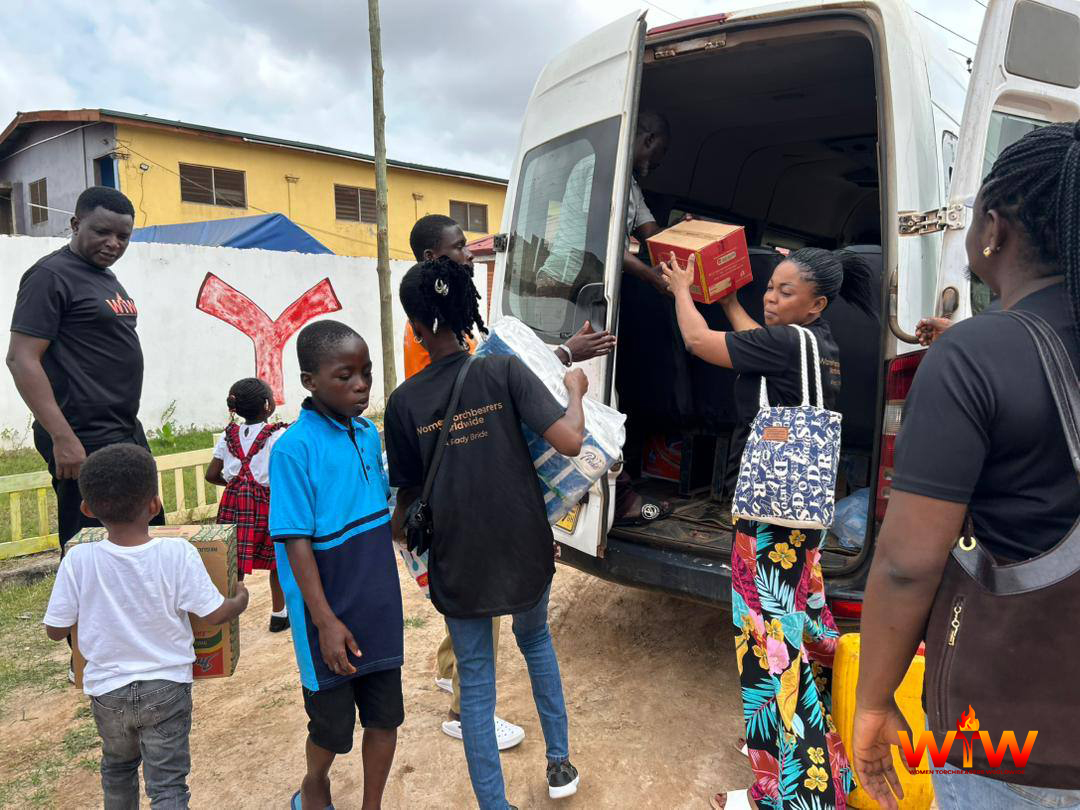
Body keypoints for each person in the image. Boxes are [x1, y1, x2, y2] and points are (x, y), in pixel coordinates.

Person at [852, 124, 1080, 809]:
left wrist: (874, 702)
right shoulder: (980, 350)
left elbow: (906, 564)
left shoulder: (974, 358)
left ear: (993, 229)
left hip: (1020, 740)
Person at [661, 247, 876, 809]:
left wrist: (682, 290)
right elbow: (756, 336)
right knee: (798, 632)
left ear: (816, 303)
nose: (770, 298)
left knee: (770, 646)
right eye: (770, 287)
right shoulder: (816, 343)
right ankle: (809, 755)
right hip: (797, 522)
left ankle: (793, 792)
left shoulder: (787, 343)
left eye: (785, 291)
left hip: (770, 524)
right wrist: (732, 299)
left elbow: (698, 342)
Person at [403, 213, 614, 750]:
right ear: (433, 259)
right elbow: (478, 381)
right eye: (458, 247)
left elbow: (479, 372)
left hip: (457, 509)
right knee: (498, 619)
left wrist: (560, 353)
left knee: (471, 615)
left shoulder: (430, 322)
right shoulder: (434, 334)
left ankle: (455, 680)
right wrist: (567, 374)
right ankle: (467, 708)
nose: (468, 254)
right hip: (476, 498)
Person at [386, 256, 587, 809]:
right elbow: (571, 440)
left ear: (417, 327)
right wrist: (574, 388)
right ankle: (559, 763)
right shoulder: (503, 372)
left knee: (476, 684)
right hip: (524, 545)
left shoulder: (403, 403)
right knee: (536, 641)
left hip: (459, 559)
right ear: (464, 313)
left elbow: (405, 502)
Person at [42, 444, 249, 809]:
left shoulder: (78, 559)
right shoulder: (177, 553)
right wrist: (240, 599)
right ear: (154, 505)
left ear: (87, 509)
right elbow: (216, 614)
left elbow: (55, 630)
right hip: (167, 687)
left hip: (108, 692)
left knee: (118, 768)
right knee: (167, 785)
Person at [269, 320, 403, 810]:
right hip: (325, 613)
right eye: (345, 376)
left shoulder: (367, 435)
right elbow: (295, 541)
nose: (361, 385)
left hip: (378, 605)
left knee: (385, 717)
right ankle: (314, 784)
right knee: (331, 727)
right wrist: (325, 622)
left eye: (366, 373)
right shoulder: (293, 450)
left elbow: (383, 512)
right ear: (310, 381)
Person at [6, 186, 164, 551]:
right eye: (102, 232)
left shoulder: (105, 277)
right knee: (92, 546)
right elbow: (21, 359)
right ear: (76, 224)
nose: (113, 243)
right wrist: (62, 438)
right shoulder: (50, 275)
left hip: (123, 429)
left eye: (123, 236)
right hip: (82, 435)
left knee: (144, 537)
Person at [206, 377, 289, 632]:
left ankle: (228, 618)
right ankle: (279, 615)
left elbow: (211, 474)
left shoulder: (228, 435)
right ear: (266, 405)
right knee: (276, 559)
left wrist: (237, 484)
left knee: (233, 559)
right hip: (265, 503)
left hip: (233, 503)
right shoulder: (277, 435)